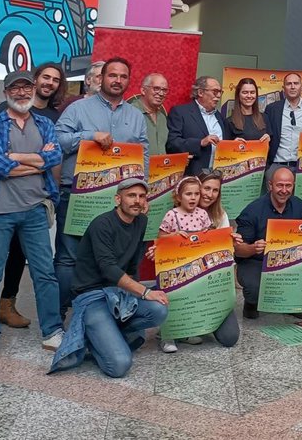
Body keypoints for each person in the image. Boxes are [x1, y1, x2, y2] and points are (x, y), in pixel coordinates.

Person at [0, 71, 64, 362]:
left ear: (33, 89)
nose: (22, 93)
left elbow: (55, 157)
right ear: (6, 92)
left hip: (35, 209)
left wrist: (15, 157)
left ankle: (52, 331)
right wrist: (38, 161)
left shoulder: (45, 124)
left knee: (44, 273)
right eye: (15, 88)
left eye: (26, 87)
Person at [54, 57, 149, 317]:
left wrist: (144, 192)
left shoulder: (135, 116)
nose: (117, 81)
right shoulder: (78, 109)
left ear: (128, 81)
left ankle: (105, 312)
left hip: (119, 201)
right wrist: (89, 136)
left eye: (123, 76)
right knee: (69, 258)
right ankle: (60, 316)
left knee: (113, 258)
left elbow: (143, 154)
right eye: (112, 75)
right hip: (80, 196)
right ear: (101, 78)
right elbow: (58, 140)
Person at [49, 178, 169, 378]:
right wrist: (145, 292)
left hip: (117, 293)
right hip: (92, 296)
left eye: (141, 196)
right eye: (131, 195)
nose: (137, 201)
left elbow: (132, 265)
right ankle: (93, 339)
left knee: (159, 310)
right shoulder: (102, 224)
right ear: (117, 199)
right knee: (119, 365)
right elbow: (108, 269)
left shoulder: (141, 221)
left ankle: (107, 333)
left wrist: (134, 295)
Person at [152, 175, 239, 352]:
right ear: (179, 197)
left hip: (200, 269)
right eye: (189, 194)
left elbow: (210, 238)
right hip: (177, 266)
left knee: (228, 335)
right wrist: (173, 238)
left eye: (196, 194)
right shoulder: (172, 215)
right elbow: (161, 239)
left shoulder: (205, 215)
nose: (194, 197)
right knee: (176, 297)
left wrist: (228, 242)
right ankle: (168, 335)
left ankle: (187, 331)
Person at [234, 167, 302, 318]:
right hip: (257, 261)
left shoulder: (301, 207)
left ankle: (295, 303)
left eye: (288, 186)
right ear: (270, 185)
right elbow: (238, 250)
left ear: (294, 186)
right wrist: (253, 248)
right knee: (254, 287)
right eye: (279, 185)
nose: (284, 190)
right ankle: (252, 302)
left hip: (291, 259)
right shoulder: (252, 210)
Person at [167, 76, 232, 177]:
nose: (219, 96)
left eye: (220, 92)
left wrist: (234, 144)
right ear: (200, 92)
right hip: (192, 177)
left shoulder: (220, 117)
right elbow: (172, 144)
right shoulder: (180, 112)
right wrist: (200, 142)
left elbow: (224, 144)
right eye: (215, 91)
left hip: (217, 177)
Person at [265, 72, 302, 175]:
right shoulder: (272, 109)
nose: (292, 87)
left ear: (301, 87)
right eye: (289, 84)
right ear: (284, 88)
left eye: (296, 83)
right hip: (276, 165)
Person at [129, 73, 170, 157]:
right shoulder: (130, 112)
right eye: (156, 89)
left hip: (160, 165)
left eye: (164, 90)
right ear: (143, 90)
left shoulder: (162, 117)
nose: (161, 93)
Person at [229, 78, 271, 144]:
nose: (249, 96)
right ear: (238, 95)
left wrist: (269, 140)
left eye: (252, 92)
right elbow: (224, 148)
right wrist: (233, 144)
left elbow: (271, 146)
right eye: (245, 92)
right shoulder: (229, 121)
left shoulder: (264, 118)